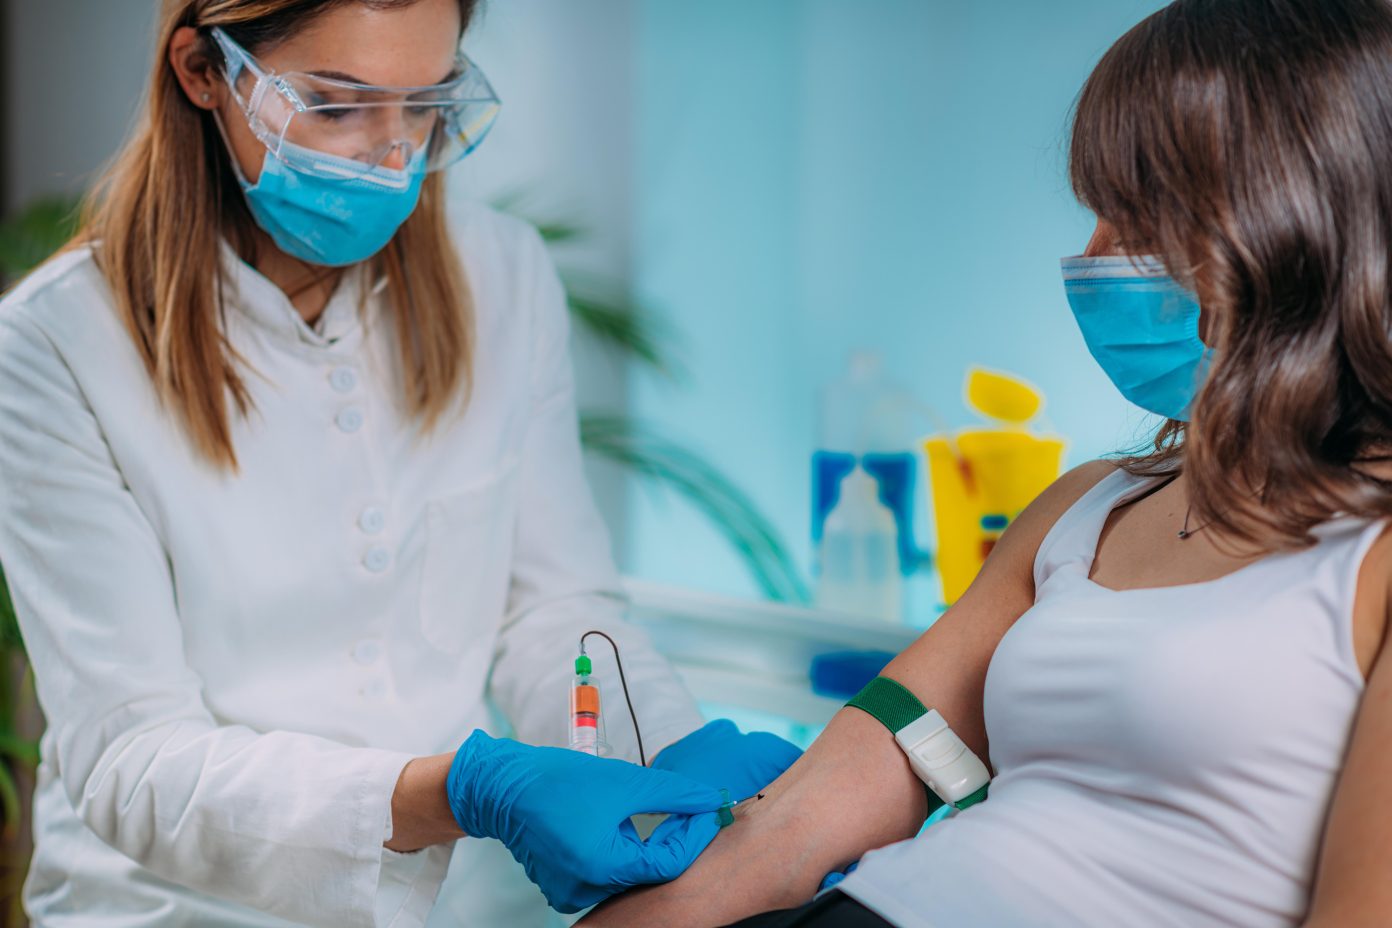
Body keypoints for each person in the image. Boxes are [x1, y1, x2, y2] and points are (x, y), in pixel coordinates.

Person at [580, 1, 1392, 925]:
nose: (1092, 256)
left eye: (1141, 215)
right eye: (1098, 211)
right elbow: (797, 826)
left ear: (1296, 231)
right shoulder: (1093, 506)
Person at [0, 1, 800, 925]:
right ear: (202, 71)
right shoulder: (55, 344)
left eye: (425, 102)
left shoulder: (503, 275)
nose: (391, 153)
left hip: (452, 896)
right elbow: (131, 756)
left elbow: (553, 607)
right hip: (171, 906)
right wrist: (454, 793)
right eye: (336, 105)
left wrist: (665, 756)